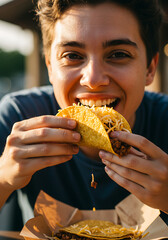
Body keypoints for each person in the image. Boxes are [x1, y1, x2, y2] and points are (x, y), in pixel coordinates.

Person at [0, 0, 168, 230]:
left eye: (118, 54)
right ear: (50, 67)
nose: (93, 79)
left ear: (150, 68)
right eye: (72, 55)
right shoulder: (19, 117)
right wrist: (3, 179)